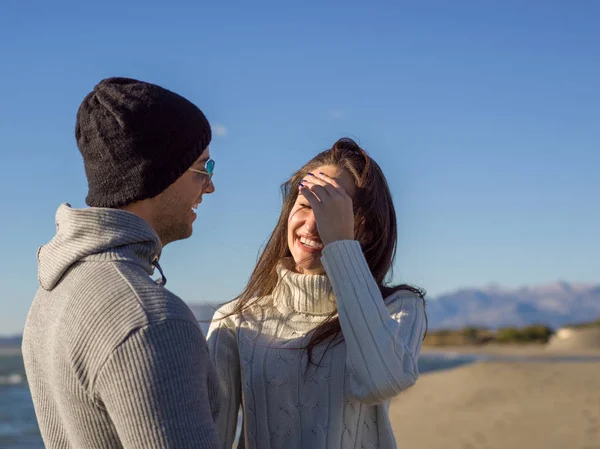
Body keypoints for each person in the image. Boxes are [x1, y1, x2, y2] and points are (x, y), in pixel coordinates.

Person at [22, 77, 221, 449]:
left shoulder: (52, 292)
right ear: (156, 173)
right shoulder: (150, 320)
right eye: (201, 167)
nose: (209, 186)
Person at [207, 138, 428, 449]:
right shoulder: (236, 321)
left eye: (332, 212)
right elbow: (210, 436)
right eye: (305, 205)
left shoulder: (398, 307)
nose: (311, 226)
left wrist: (340, 246)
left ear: (366, 231)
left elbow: (382, 381)